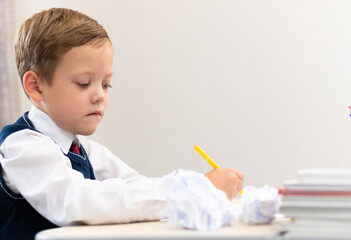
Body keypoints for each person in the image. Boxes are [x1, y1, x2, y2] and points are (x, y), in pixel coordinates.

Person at [0, 8, 244, 240]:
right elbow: (76, 202)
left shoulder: (87, 151)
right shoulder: (22, 146)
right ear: (35, 86)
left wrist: (197, 189)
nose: (99, 96)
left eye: (106, 85)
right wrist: (191, 190)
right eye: (84, 83)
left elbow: (138, 189)